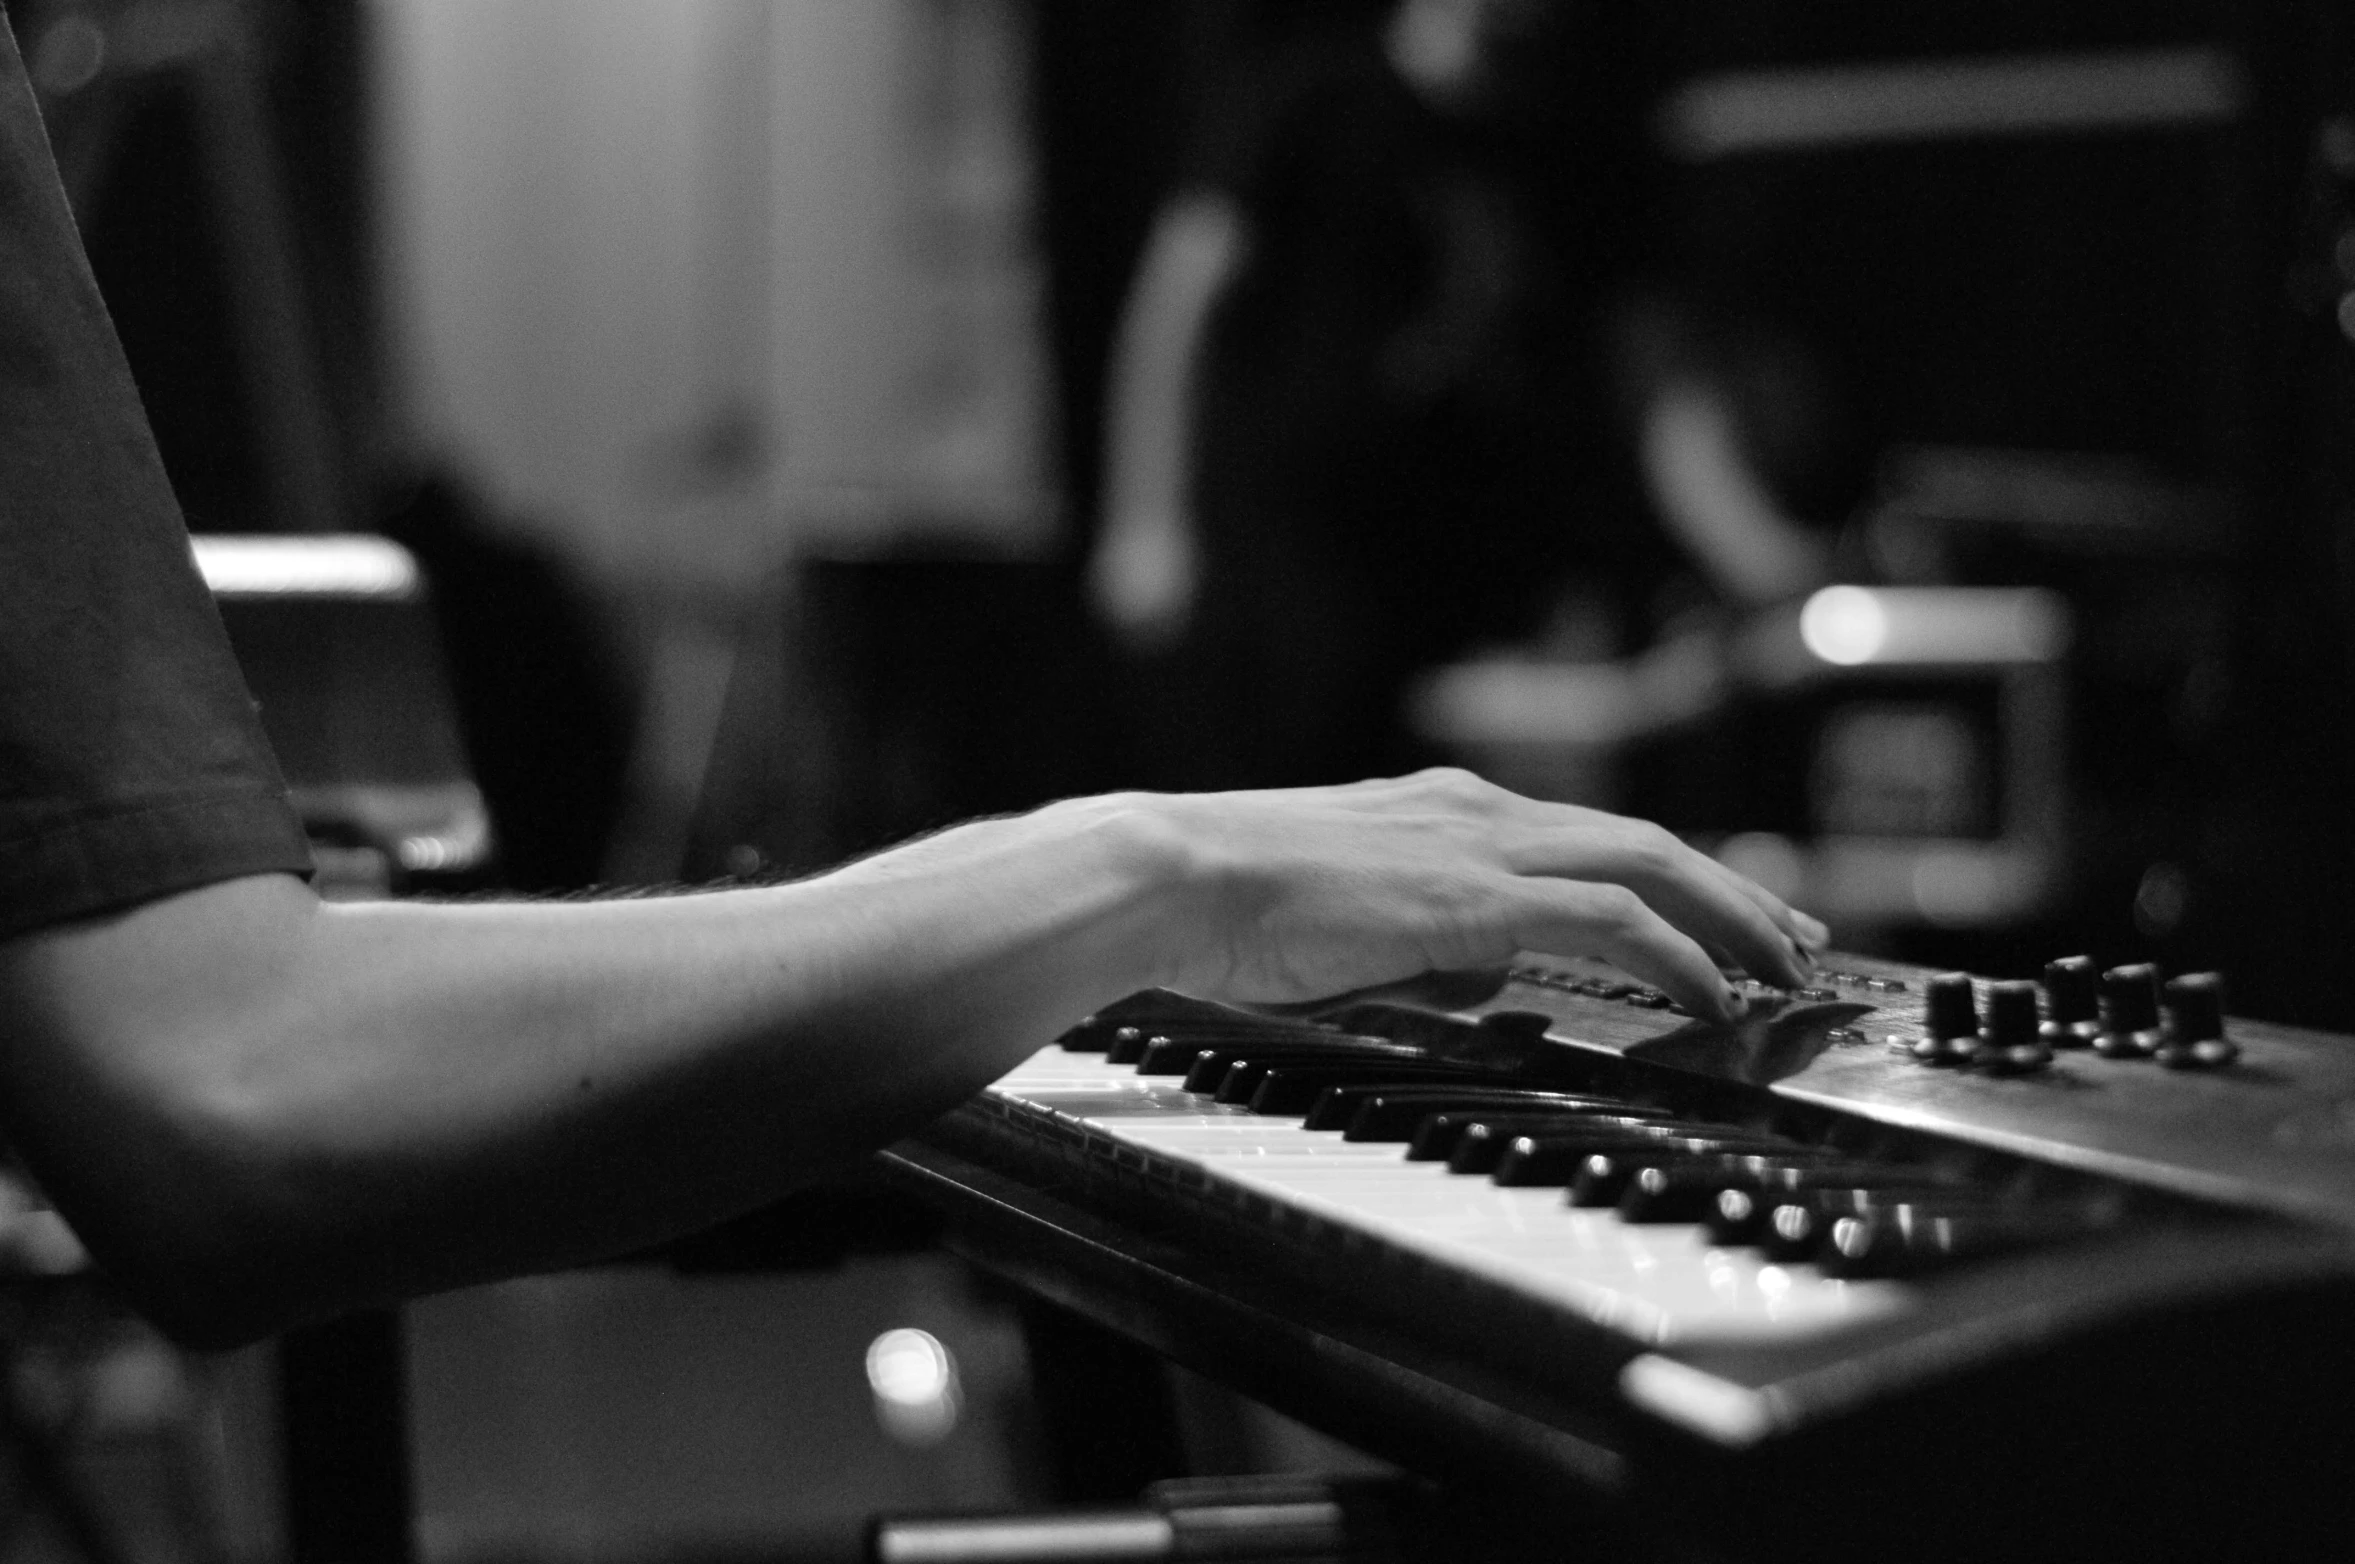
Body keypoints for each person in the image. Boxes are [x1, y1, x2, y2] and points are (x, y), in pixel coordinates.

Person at [0, 22, 1823, 1353]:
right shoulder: (1315, 106)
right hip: (1291, 615)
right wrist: (1144, 863)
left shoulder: (1597, 150)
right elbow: (227, 1085)